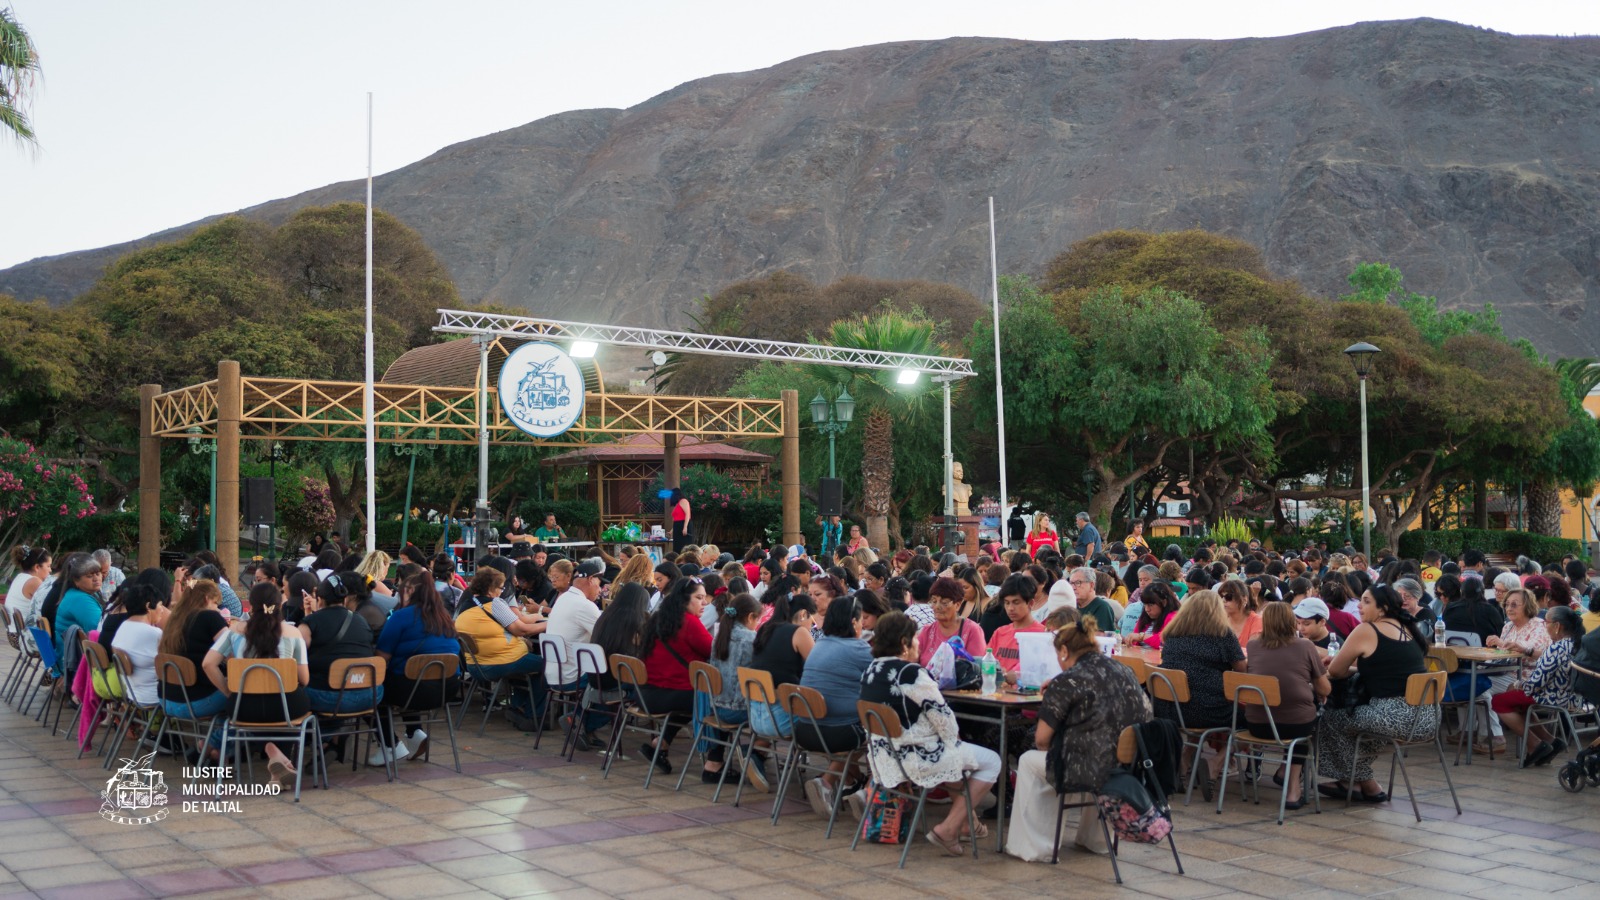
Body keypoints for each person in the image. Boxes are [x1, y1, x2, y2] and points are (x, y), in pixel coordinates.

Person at [1006, 620, 1152, 862]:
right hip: (1127, 765)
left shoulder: (1068, 680)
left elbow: (1042, 740)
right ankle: (1094, 840)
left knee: (1031, 760)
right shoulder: (1124, 670)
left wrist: (1056, 700)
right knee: (1092, 750)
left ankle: (1035, 846)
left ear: (1064, 651)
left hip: (1088, 768)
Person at [860, 612, 1000, 856]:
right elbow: (946, 723)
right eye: (915, 638)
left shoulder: (871, 670)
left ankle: (967, 822)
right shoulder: (912, 674)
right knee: (990, 762)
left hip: (884, 755)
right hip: (915, 758)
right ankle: (948, 828)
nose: (919, 643)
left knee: (957, 758)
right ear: (904, 643)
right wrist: (953, 742)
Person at [1317, 584, 1434, 803]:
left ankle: (1368, 785)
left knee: (1330, 719)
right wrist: (1352, 666)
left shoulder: (1367, 630)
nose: (1359, 606)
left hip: (1393, 716)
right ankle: (1349, 782)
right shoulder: (1407, 627)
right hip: (1425, 715)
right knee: (1358, 725)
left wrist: (1339, 663)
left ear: (1383, 609)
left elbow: (1335, 671)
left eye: (1366, 602)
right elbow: (1384, 670)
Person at [202, 583, 310, 770]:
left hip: (243, 706)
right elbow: (305, 679)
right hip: (284, 706)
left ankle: (273, 757)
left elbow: (208, 664)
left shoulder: (234, 631)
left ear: (251, 606)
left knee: (252, 716)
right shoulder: (294, 633)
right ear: (279, 605)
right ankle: (276, 755)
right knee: (295, 708)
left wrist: (228, 691)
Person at [1153, 589, 1246, 797]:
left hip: (1169, 708)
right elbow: (1241, 670)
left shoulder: (1172, 634)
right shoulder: (1223, 635)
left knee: (1196, 702)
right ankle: (1215, 763)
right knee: (1253, 720)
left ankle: (1184, 761)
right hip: (1207, 709)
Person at [1244, 602, 1331, 809]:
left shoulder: (1253, 645)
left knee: (1292, 714)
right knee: (1302, 724)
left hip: (1257, 724)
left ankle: (1284, 772)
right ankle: (1293, 789)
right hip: (1295, 724)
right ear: (1291, 622)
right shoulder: (1305, 646)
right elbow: (1325, 690)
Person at [796, 596, 873, 815]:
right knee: (878, 731)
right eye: (860, 620)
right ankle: (839, 784)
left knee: (850, 723)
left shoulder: (819, 645)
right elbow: (881, 680)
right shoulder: (860, 649)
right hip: (836, 733)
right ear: (853, 622)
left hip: (805, 730)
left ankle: (847, 781)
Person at [374, 575, 459, 763]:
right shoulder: (445, 617)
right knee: (409, 675)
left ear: (410, 591)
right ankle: (415, 733)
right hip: (447, 689)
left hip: (411, 690)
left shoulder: (401, 617)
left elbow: (381, 657)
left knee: (372, 691)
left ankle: (390, 746)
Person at [455, 568, 547, 731]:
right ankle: (534, 716)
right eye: (501, 588)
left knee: (530, 667)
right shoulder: (494, 604)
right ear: (491, 589)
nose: (502, 591)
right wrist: (550, 623)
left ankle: (518, 706)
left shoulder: (464, 605)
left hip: (476, 666)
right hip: (501, 662)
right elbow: (522, 630)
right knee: (548, 667)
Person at [638, 576, 713, 775]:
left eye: (705, 597)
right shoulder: (689, 622)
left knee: (693, 699)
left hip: (646, 695)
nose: (704, 602)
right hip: (674, 694)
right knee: (716, 701)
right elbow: (713, 650)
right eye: (699, 597)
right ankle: (715, 762)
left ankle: (660, 744)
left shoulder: (659, 617)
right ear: (684, 599)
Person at [1494, 606, 1584, 767]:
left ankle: (1534, 744)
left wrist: (1517, 684)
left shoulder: (1556, 647)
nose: (1544, 626)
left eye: (1546, 622)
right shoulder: (1578, 643)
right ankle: (1549, 740)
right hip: (1574, 696)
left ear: (1557, 626)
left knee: (1499, 701)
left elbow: (1536, 684)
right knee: (1517, 701)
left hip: (1554, 696)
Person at [298, 572, 381, 741]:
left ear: (319, 599)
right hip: (370, 695)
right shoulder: (361, 620)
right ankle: (331, 739)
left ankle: (320, 739)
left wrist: (308, 618)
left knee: (294, 690)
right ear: (344, 599)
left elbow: (297, 652)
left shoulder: (312, 622)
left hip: (329, 698)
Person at [706, 592, 762, 783]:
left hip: (716, 707)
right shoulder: (752, 640)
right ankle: (753, 755)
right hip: (740, 711)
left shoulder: (719, 636)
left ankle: (714, 761)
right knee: (773, 709)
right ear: (750, 617)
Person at [109, 582, 166, 707]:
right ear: (148, 606)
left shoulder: (123, 627)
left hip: (133, 694)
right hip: (155, 695)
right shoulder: (154, 633)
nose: (162, 610)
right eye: (161, 605)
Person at [915, 576, 987, 666]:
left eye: (944, 602)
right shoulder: (927, 632)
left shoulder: (972, 631)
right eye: (934, 601)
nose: (937, 606)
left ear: (957, 605)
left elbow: (977, 667)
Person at [52, 554, 105, 674]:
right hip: (74, 661)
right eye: (89, 576)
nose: (96, 578)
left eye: (98, 573)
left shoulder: (77, 594)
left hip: (69, 656)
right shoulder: (81, 600)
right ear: (76, 581)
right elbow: (99, 630)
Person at [1127, 581, 1179, 650]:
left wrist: (1141, 637)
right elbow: (1135, 641)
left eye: (1150, 605)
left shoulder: (1173, 617)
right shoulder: (1144, 618)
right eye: (1145, 605)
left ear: (1164, 602)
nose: (1147, 609)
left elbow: (1166, 642)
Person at [1067, 568, 1117, 633]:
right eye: (1071, 583)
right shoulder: (1072, 606)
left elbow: (1100, 637)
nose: (1073, 587)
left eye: (1078, 583)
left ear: (1091, 585)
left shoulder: (1102, 607)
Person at [1218, 579, 1262, 649]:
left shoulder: (1256, 621)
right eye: (1221, 597)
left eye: (1228, 597)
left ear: (1244, 600)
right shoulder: (1219, 621)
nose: (1223, 600)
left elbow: (1252, 651)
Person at [670, 488, 692, 552]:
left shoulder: (683, 501)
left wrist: (685, 527)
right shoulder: (678, 503)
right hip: (677, 526)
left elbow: (687, 514)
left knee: (683, 547)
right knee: (677, 547)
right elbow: (677, 519)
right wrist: (672, 530)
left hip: (683, 524)